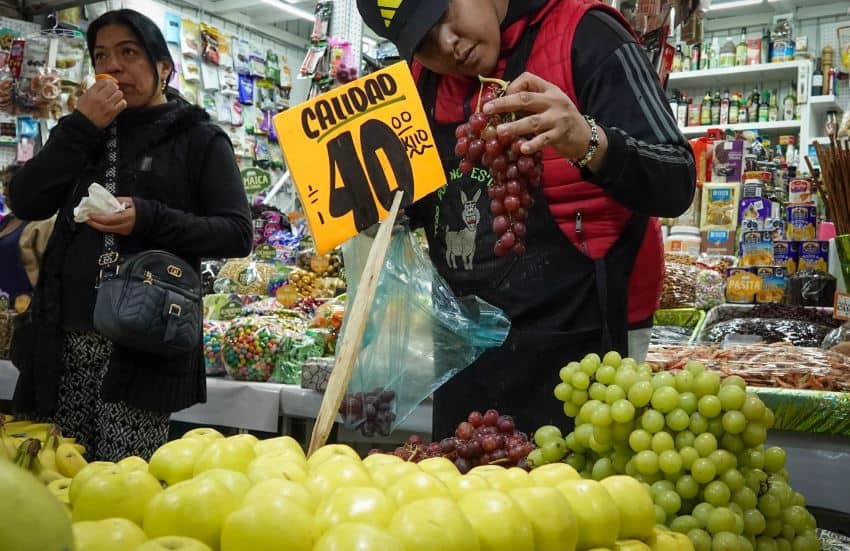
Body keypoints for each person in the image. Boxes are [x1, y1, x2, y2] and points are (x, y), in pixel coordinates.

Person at [357, 0, 696, 438]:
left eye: (443, 16)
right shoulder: (420, 86)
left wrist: (588, 141)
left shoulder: (586, 35)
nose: (446, 43)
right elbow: (435, 207)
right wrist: (386, 211)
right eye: (421, 42)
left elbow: (677, 179)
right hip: (466, 360)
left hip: (583, 347)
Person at [9, 9, 252, 460]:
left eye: (128, 52)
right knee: (52, 475)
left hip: (141, 349)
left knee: (122, 483)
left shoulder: (199, 139)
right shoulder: (89, 132)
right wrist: (80, 126)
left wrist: (148, 217)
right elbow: (25, 200)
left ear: (163, 67)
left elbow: (237, 233)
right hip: (61, 345)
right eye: (102, 55)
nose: (114, 66)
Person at [0, 164, 55, 310]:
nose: (4, 192)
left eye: (8, 185)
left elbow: (49, 275)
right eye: (3, 185)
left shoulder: (44, 223)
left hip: (26, 309)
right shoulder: (8, 220)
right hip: (4, 307)